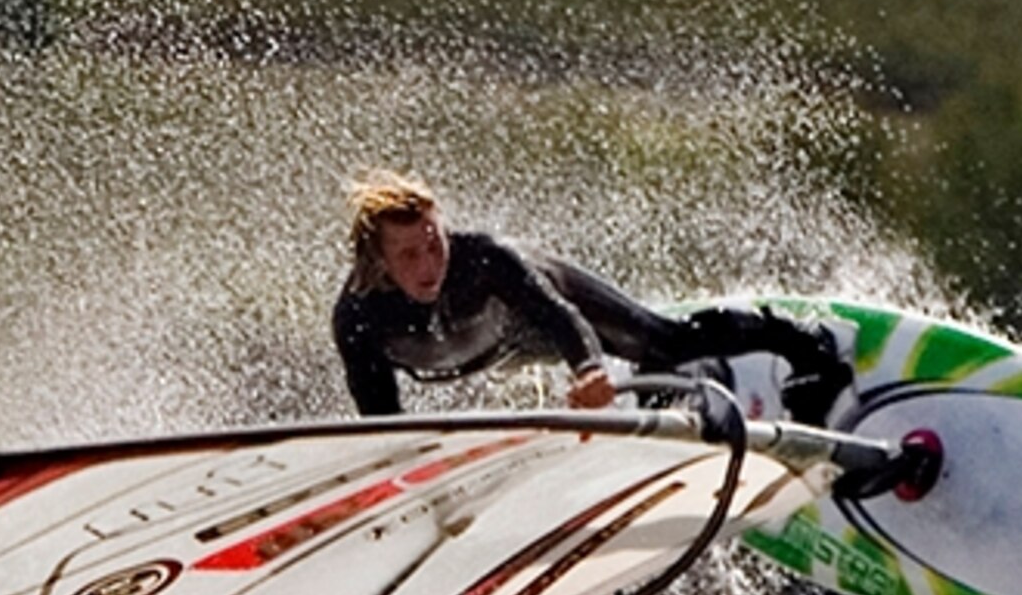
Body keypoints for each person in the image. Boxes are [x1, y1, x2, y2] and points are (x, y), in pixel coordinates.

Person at [331, 173, 853, 422]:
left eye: (434, 243)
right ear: (377, 260)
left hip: (544, 311)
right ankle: (677, 384)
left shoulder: (485, 261)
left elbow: (559, 318)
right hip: (504, 353)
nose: (430, 266)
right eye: (409, 257)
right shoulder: (358, 318)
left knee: (660, 340)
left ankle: (807, 346)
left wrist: (588, 372)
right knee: (654, 355)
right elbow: (382, 419)